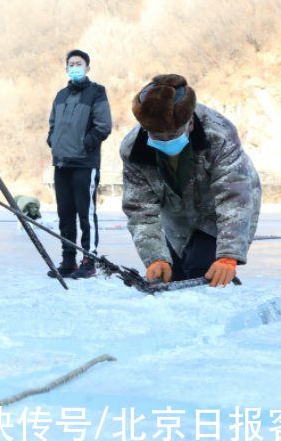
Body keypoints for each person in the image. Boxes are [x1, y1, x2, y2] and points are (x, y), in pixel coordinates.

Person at [120, 74, 261, 287]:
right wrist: (155, 257)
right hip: (176, 213)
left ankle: (229, 300)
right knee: (174, 277)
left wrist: (228, 256)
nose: (166, 141)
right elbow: (140, 210)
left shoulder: (218, 134)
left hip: (221, 207)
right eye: (158, 136)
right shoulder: (133, 150)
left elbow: (233, 196)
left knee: (203, 270)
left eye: (172, 135)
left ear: (190, 123)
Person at [46, 50, 112, 279]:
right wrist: (52, 140)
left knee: (86, 213)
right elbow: (52, 123)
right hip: (61, 163)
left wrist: (85, 145)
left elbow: (103, 126)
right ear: (66, 68)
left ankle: (89, 260)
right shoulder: (61, 95)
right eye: (71, 63)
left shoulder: (96, 92)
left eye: (79, 63)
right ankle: (68, 260)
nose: (75, 66)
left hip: (85, 163)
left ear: (87, 68)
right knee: (65, 214)